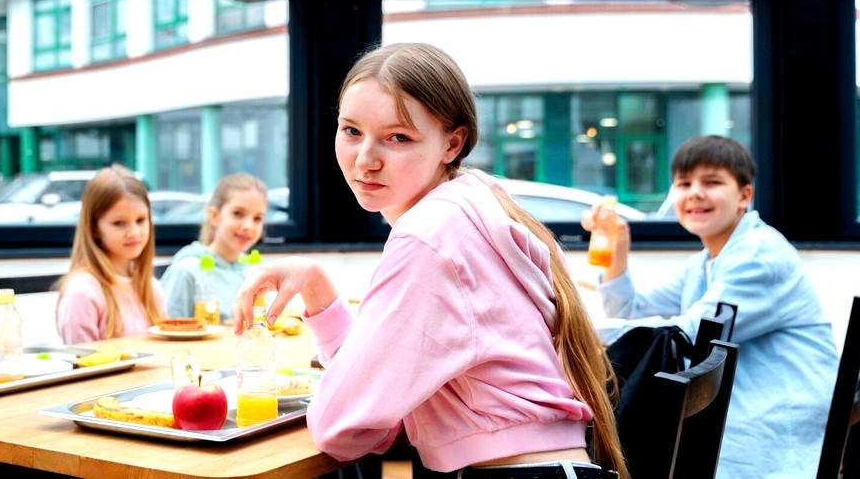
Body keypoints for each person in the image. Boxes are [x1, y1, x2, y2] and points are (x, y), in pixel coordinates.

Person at [233, 43, 627, 478]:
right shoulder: (477, 204)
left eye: (397, 137)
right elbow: (377, 395)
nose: (366, 160)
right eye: (351, 131)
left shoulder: (430, 237)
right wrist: (319, 292)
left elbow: (342, 427)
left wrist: (349, 400)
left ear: (452, 143)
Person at [583, 135, 837, 478]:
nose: (695, 193)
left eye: (712, 182)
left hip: (772, 433)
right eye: (684, 183)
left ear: (744, 195)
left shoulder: (758, 255)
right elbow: (629, 307)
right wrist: (619, 246)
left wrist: (573, 330)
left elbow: (688, 331)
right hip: (740, 418)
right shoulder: (709, 260)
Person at [55, 165, 165, 343]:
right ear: (94, 228)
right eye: (119, 223)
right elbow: (84, 364)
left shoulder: (152, 288)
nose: (134, 232)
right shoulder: (82, 292)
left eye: (141, 220)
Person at [161, 173, 268, 322]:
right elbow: (169, 329)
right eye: (238, 214)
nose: (248, 226)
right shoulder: (186, 270)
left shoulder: (254, 272)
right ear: (214, 216)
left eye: (257, 218)